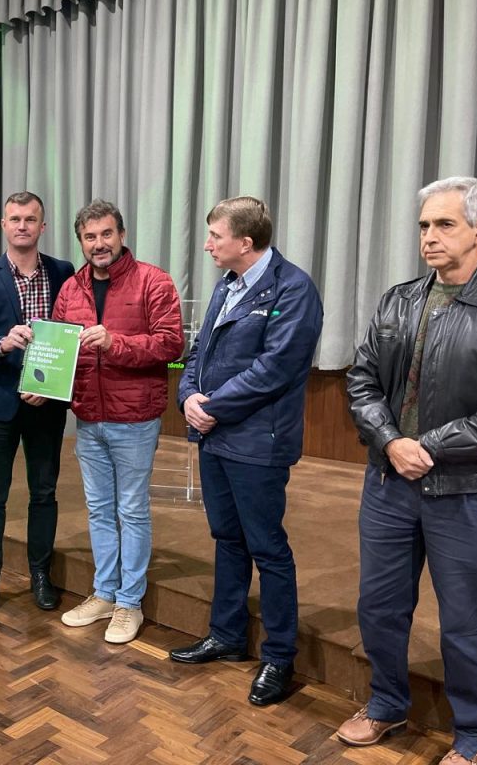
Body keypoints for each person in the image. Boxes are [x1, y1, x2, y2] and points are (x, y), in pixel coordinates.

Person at [338, 177, 477, 765]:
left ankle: (472, 737)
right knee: (380, 607)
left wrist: (427, 445)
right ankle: (386, 704)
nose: (429, 237)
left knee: (470, 620)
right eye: (424, 225)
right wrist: (391, 442)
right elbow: (361, 380)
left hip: (468, 490)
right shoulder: (398, 300)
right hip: (389, 482)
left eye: (444, 224)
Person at [167, 196, 323, 705]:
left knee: (267, 548)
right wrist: (188, 396)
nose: (207, 244)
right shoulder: (227, 285)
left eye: (215, 236)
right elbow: (198, 351)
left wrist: (213, 406)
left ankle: (278, 657)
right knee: (227, 539)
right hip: (216, 435)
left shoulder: (294, 289)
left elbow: (275, 368)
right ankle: (227, 635)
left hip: (258, 442)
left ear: (246, 242)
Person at [53, 199, 184, 644]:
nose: (99, 244)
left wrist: (115, 344)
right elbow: (62, 352)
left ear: (122, 235)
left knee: (131, 509)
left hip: (134, 419)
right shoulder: (71, 289)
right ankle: (105, 592)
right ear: (81, 241)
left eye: (106, 234)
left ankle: (130, 602)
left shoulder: (154, 281)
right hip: (89, 418)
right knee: (99, 509)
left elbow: (171, 345)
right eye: (90, 237)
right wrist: (45, 384)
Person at [0, 191, 75, 618]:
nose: (22, 225)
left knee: (44, 494)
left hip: (47, 403)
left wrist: (54, 386)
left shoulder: (64, 272)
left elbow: (71, 333)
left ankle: (40, 575)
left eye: (30, 219)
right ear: (4, 225)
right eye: (15, 219)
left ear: (42, 226)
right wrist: (2, 341)